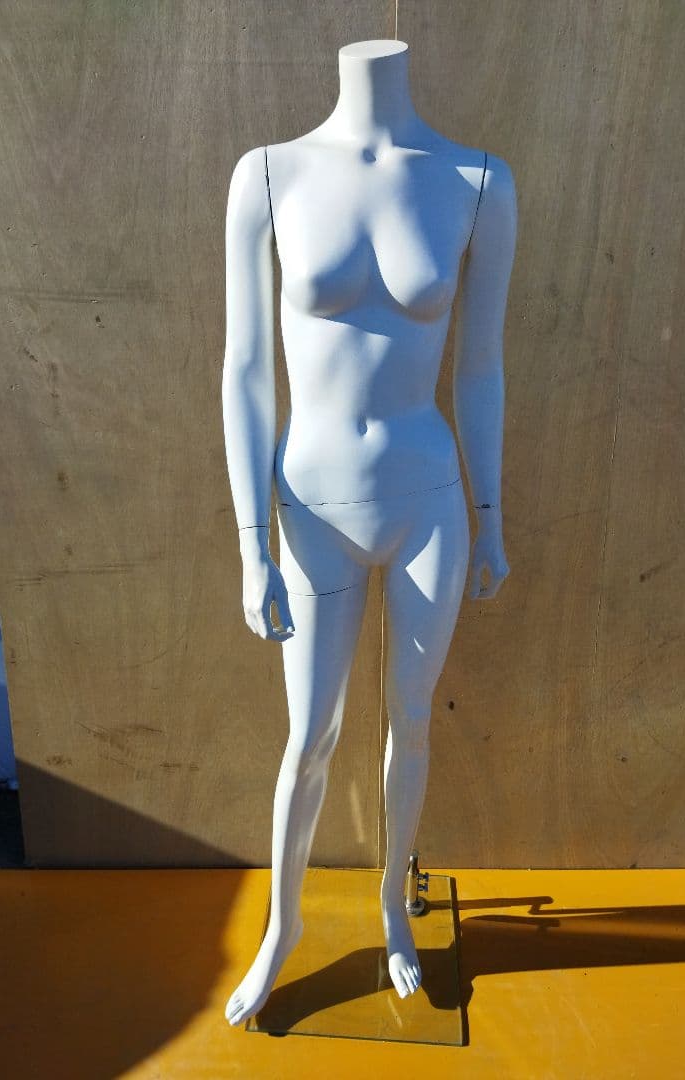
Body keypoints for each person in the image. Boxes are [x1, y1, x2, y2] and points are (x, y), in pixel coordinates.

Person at [222, 38, 517, 1026]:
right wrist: (250, 543)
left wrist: (489, 516)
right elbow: (246, 369)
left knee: (411, 721)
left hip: (427, 496)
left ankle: (395, 904)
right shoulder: (269, 174)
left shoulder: (478, 182)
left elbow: (481, 365)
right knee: (310, 734)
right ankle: (283, 928)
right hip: (310, 505)